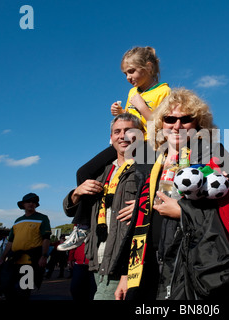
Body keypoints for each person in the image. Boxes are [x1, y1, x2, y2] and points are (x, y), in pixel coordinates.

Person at [115, 88, 229, 300]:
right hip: (148, 263)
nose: (177, 125)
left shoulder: (215, 153)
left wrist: (183, 211)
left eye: (186, 119)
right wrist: (126, 274)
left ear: (198, 123)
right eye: (170, 118)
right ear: (161, 123)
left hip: (195, 259)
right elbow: (138, 220)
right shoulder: (149, 159)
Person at [58, 46, 170, 252]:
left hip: (147, 145)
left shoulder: (164, 91)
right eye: (125, 73)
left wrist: (141, 106)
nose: (128, 77)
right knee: (84, 172)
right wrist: (120, 112)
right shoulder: (132, 92)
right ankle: (82, 225)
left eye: (132, 71)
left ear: (148, 67)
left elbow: (164, 126)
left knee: (143, 184)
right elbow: (130, 119)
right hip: (125, 143)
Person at [63, 113, 144, 300]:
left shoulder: (148, 169)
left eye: (128, 131)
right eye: (117, 132)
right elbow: (70, 209)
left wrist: (146, 206)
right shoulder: (101, 172)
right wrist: (76, 193)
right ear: (111, 137)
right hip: (98, 260)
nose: (122, 136)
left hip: (125, 262)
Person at [0, 193, 51, 300]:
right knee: (8, 289)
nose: (31, 204)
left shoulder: (42, 218)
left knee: (24, 292)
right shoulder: (17, 221)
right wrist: (2, 259)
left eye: (33, 202)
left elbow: (46, 238)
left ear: (36, 204)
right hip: (14, 261)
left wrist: (44, 256)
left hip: (30, 262)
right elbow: (10, 242)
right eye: (28, 202)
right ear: (23, 204)